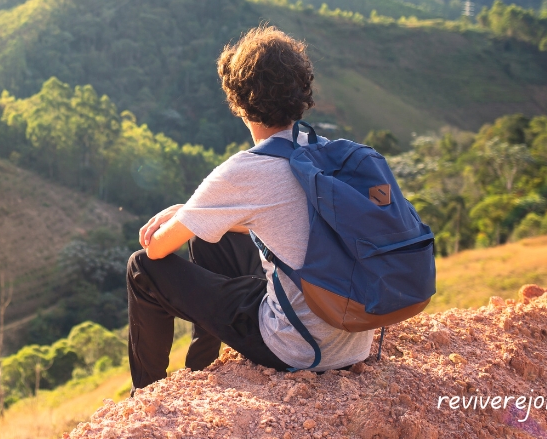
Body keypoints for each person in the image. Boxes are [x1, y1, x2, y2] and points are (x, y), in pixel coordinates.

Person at [125, 25, 374, 390]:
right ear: (302, 92)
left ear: (238, 102)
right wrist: (194, 214)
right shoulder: (322, 151)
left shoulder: (245, 171)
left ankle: (145, 395)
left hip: (299, 347)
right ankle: (201, 368)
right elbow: (294, 224)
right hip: (352, 336)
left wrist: (184, 217)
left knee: (140, 269)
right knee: (213, 237)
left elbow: (157, 249)